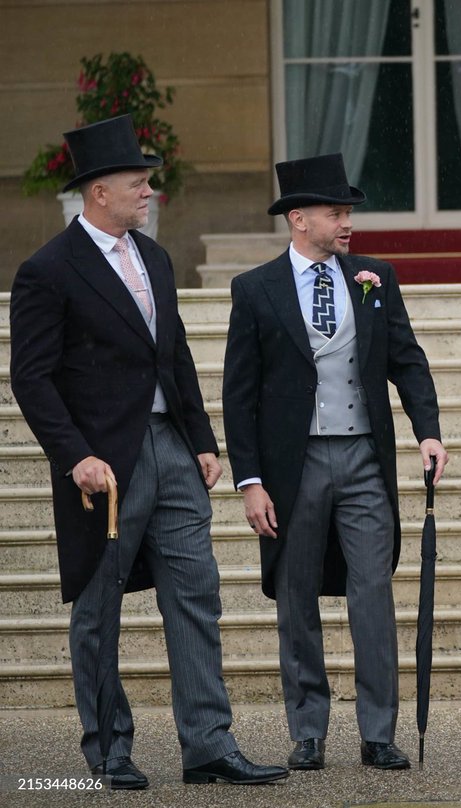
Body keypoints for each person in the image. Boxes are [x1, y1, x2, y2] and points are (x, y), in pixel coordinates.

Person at [8, 115, 288, 788]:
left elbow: (176, 355)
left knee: (197, 595)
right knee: (98, 608)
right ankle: (108, 749)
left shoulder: (154, 259)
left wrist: (202, 439)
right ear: (99, 191)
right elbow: (31, 376)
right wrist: (73, 455)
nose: (149, 193)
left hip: (171, 453)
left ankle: (209, 746)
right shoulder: (47, 270)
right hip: (102, 466)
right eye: (138, 183)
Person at [222, 153, 447, 772]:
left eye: (347, 212)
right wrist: (250, 481)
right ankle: (308, 731)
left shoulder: (375, 278)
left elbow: (408, 359)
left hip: (362, 457)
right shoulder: (255, 289)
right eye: (335, 212)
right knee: (295, 597)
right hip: (293, 468)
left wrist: (427, 432)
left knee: (372, 592)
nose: (346, 222)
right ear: (299, 219)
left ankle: (379, 731)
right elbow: (238, 394)